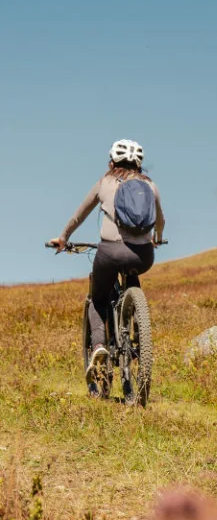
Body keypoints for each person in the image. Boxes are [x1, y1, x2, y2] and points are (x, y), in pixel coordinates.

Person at [48, 139, 165, 394]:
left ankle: (99, 344)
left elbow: (81, 213)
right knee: (133, 275)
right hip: (143, 256)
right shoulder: (150, 186)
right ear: (139, 164)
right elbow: (161, 220)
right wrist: (155, 239)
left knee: (98, 299)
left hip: (110, 252)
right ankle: (134, 323)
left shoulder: (105, 183)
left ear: (112, 162)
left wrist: (63, 237)